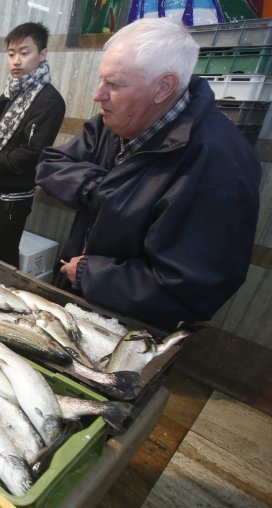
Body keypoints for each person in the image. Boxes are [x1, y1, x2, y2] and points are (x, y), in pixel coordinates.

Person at [36, 18, 261, 330]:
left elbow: (194, 288)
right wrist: (97, 188)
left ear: (163, 87)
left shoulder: (218, 162)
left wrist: (92, 275)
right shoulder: (114, 122)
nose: (98, 95)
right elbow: (51, 164)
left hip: (133, 326)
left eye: (114, 85)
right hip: (79, 296)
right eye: (101, 81)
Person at [0, 22, 65, 267]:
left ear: (42, 54)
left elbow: (31, 153)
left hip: (13, 196)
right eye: (12, 53)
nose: (16, 61)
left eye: (25, 53)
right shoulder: (11, 92)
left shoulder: (49, 100)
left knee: (4, 256)